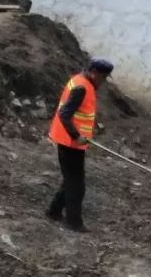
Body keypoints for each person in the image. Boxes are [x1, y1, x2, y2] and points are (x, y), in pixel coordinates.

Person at [46, 58, 114, 232]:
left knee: (71, 179)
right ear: (94, 73)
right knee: (77, 184)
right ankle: (73, 222)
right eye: (103, 77)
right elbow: (64, 114)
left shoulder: (80, 81)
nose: (103, 81)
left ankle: (53, 211)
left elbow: (79, 112)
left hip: (67, 139)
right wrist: (76, 136)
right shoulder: (82, 87)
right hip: (70, 142)